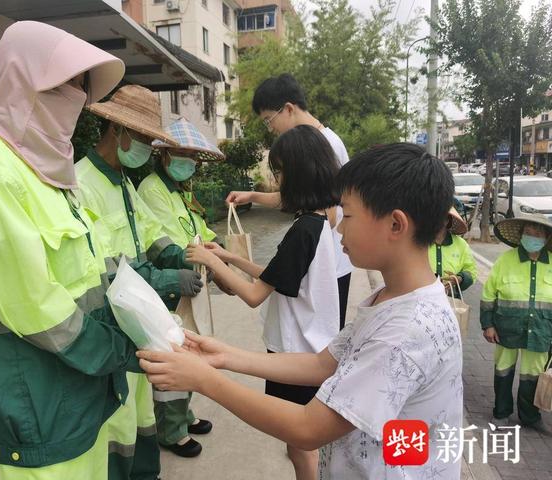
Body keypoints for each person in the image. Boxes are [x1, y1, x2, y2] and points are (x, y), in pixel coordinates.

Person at [138, 143, 463, 480]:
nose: (338, 228)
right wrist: (222, 357)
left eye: (348, 215)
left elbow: (309, 428)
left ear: (396, 225)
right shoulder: (391, 299)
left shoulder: (406, 331)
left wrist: (205, 380)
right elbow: (321, 364)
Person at [0, 21, 143, 480]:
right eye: (63, 83)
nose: (76, 96)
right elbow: (34, 306)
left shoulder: (48, 173)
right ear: (20, 81)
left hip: (79, 390)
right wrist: (118, 350)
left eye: (80, 86)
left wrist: (141, 324)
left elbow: (92, 273)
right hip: (37, 401)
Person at [185, 125, 340, 480]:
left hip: (297, 353)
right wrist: (229, 256)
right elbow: (275, 276)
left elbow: (255, 295)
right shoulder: (317, 222)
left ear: (299, 173)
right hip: (308, 347)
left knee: (300, 444)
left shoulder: (303, 230)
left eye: (281, 171)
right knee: (297, 442)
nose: (277, 179)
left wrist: (211, 263)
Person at [74, 85, 208, 471]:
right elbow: (107, 267)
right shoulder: (84, 185)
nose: (149, 149)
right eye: (146, 140)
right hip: (111, 321)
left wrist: (181, 255)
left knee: (140, 414)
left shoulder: (124, 183)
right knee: (119, 423)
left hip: (135, 319)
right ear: (119, 132)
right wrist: (168, 279)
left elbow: (149, 233)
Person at [226, 74, 353, 329]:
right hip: (321, 265)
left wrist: (295, 244)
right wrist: (252, 196)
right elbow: (299, 198)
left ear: (288, 109)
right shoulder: (315, 142)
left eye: (268, 120)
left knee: (316, 340)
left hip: (328, 269)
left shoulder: (319, 145)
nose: (270, 128)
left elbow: (329, 215)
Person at [137, 117, 224, 457]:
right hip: (168, 285)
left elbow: (199, 229)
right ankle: (171, 430)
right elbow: (162, 243)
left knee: (189, 350)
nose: (190, 162)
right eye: (183, 154)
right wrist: (195, 262)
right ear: (165, 155)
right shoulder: (152, 189)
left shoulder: (180, 191)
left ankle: (183, 415)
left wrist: (220, 255)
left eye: (194, 156)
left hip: (189, 281)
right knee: (172, 355)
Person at [481, 216, 552, 435]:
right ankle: (501, 412)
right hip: (506, 328)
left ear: (547, 238)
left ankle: (530, 416)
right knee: (503, 371)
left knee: (533, 375)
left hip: (541, 330)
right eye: (529, 232)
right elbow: (488, 294)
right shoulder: (505, 260)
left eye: (538, 234)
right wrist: (488, 324)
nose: (533, 237)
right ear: (521, 235)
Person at [429, 206, 477, 298]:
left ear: (447, 221)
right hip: (424, 298)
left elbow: (471, 271)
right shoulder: (420, 242)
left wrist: (460, 278)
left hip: (452, 298)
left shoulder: (461, 244)